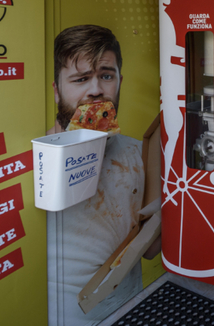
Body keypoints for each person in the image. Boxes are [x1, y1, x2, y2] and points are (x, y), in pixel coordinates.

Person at [45, 25, 149, 326]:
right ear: (56, 91)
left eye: (106, 75)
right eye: (80, 79)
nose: (95, 90)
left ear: (119, 81)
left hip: (132, 308)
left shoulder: (141, 152)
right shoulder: (34, 160)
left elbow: (151, 250)